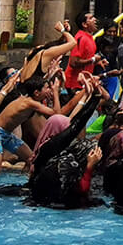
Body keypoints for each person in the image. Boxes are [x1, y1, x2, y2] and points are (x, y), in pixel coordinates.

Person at [28, 77, 103, 207]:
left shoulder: (44, 150)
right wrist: (90, 166)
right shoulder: (52, 148)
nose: (68, 133)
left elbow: (75, 122)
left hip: (41, 200)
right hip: (58, 203)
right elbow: (76, 125)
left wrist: (91, 96)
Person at [0, 75, 61, 177]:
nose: (49, 90)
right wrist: (55, 93)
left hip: (7, 135)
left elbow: (34, 83)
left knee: (30, 159)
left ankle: (22, 180)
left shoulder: (29, 98)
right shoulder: (30, 103)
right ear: (36, 93)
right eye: (47, 88)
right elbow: (57, 114)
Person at [63, 11, 103, 95]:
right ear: (84, 24)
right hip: (74, 84)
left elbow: (86, 59)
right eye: (91, 18)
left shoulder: (90, 38)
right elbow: (73, 62)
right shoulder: (80, 38)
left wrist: (97, 62)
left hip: (84, 82)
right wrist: (92, 59)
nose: (95, 20)